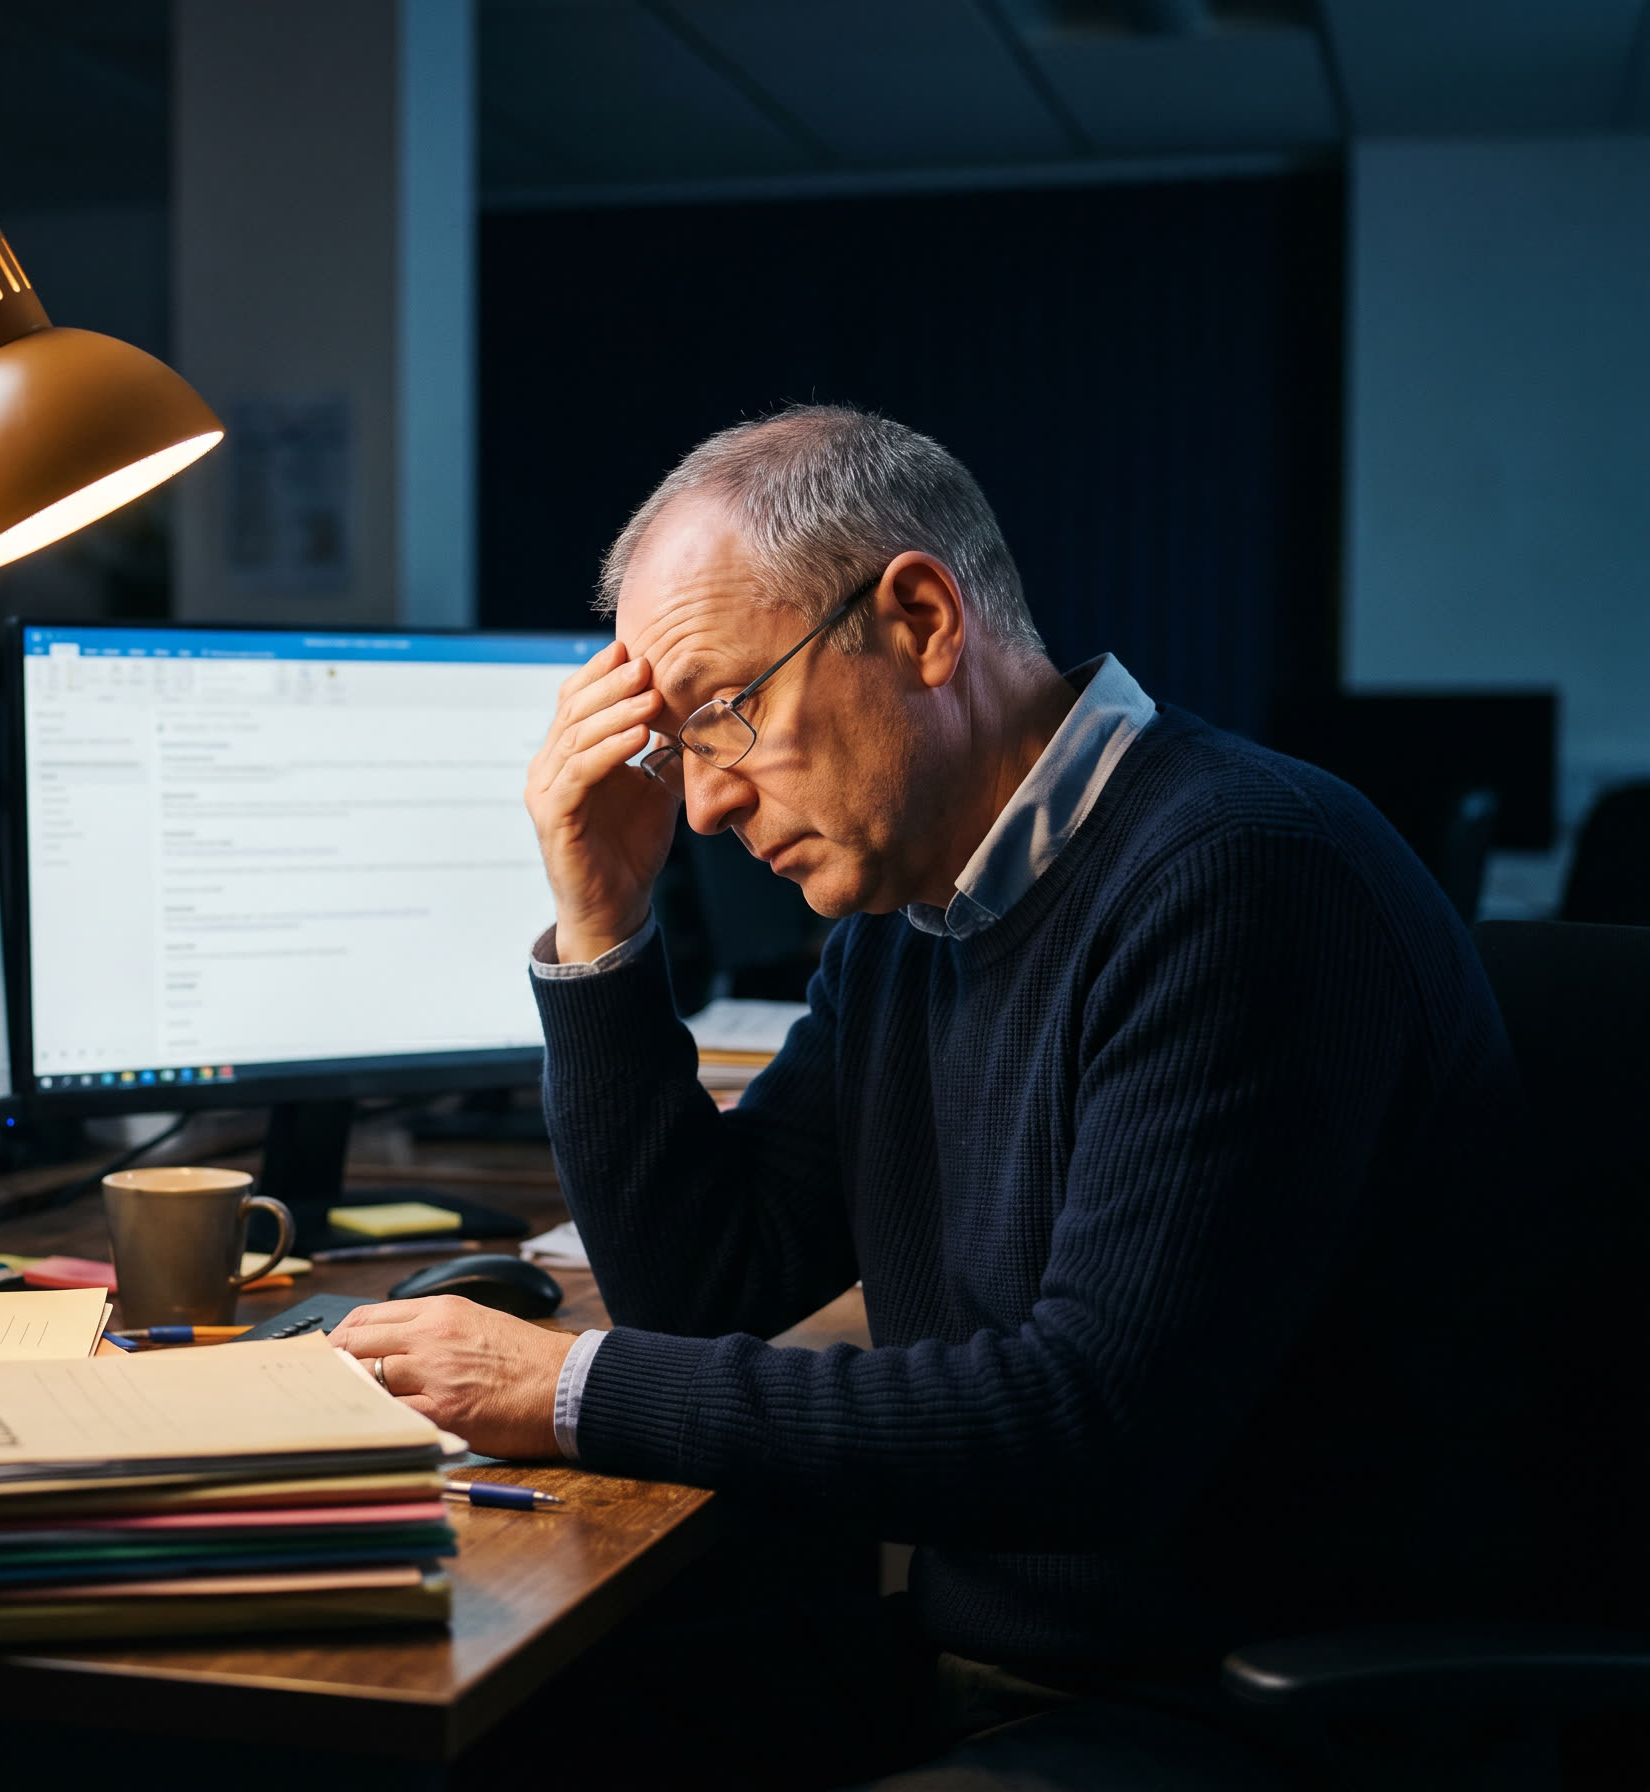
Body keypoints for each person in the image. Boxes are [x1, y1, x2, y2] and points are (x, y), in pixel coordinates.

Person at [332, 406, 1534, 1786]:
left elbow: (1085, 1431)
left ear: (919, 621)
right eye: (682, 748)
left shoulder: (1246, 877)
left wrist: (572, 1388)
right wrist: (600, 923)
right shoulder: (912, 928)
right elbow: (702, 1284)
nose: (707, 807)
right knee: (465, 1746)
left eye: (724, 715)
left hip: (1233, 1710)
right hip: (997, 1671)